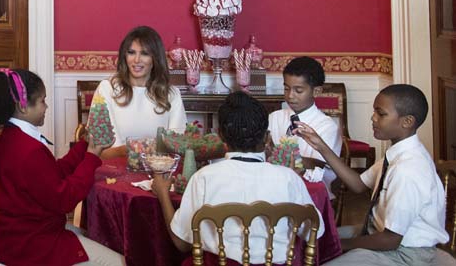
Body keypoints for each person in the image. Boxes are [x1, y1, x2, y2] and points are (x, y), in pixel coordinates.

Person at [0, 68, 125, 266]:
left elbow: (52, 175)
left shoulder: (12, 137)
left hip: (22, 234)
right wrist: (92, 157)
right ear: (23, 106)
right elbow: (64, 200)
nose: (47, 106)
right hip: (31, 245)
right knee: (120, 262)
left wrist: (84, 145)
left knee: (99, 236)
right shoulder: (28, 150)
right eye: (42, 100)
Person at [153, 91, 324, 265]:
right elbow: (316, 230)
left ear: (221, 137)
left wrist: (163, 195)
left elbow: (181, 243)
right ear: (267, 138)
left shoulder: (203, 178)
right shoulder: (289, 178)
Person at [295, 84, 456, 265]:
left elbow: (390, 240)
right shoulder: (399, 153)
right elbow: (358, 184)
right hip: (377, 232)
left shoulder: (408, 169)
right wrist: (321, 146)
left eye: (381, 113)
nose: (373, 118)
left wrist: (338, 244)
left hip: (403, 253)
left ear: (407, 121)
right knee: (313, 236)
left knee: (323, 243)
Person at [91, 26, 186, 158]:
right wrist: (145, 149)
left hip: (158, 170)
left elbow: (177, 146)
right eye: (131, 52)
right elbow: (103, 151)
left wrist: (137, 149)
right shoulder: (107, 88)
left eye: (145, 53)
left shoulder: (172, 94)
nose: (136, 60)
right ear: (125, 56)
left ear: (155, 59)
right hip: (114, 169)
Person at [267, 56, 342, 195]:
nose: (290, 96)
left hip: (311, 193)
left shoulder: (327, 127)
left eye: (298, 91)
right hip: (275, 187)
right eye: (286, 89)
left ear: (316, 91)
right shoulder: (274, 118)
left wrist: (286, 158)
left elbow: (319, 165)